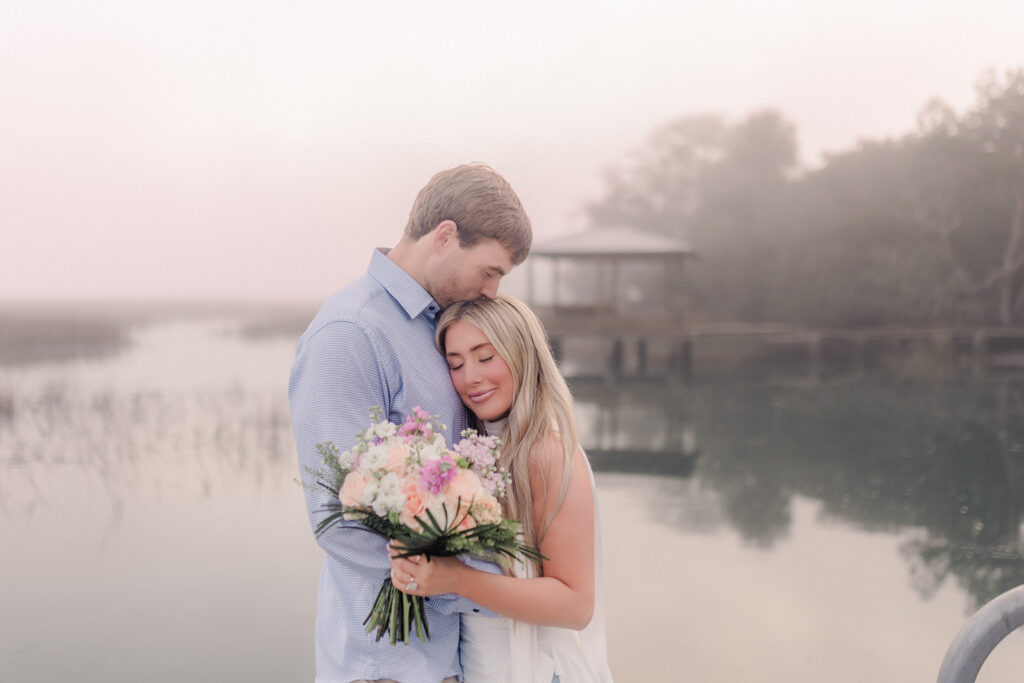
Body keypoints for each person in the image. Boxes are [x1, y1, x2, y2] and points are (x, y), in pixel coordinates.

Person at [288, 163, 532, 683]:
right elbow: (339, 519)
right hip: (385, 659)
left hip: (448, 655)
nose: (491, 291)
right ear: (445, 236)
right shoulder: (350, 332)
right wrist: (490, 581)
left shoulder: (439, 325)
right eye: (489, 271)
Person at [389, 295, 614, 683]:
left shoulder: (546, 452)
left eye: (485, 356)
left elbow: (575, 604)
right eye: (455, 364)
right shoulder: (474, 450)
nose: (470, 377)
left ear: (522, 354)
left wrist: (453, 578)